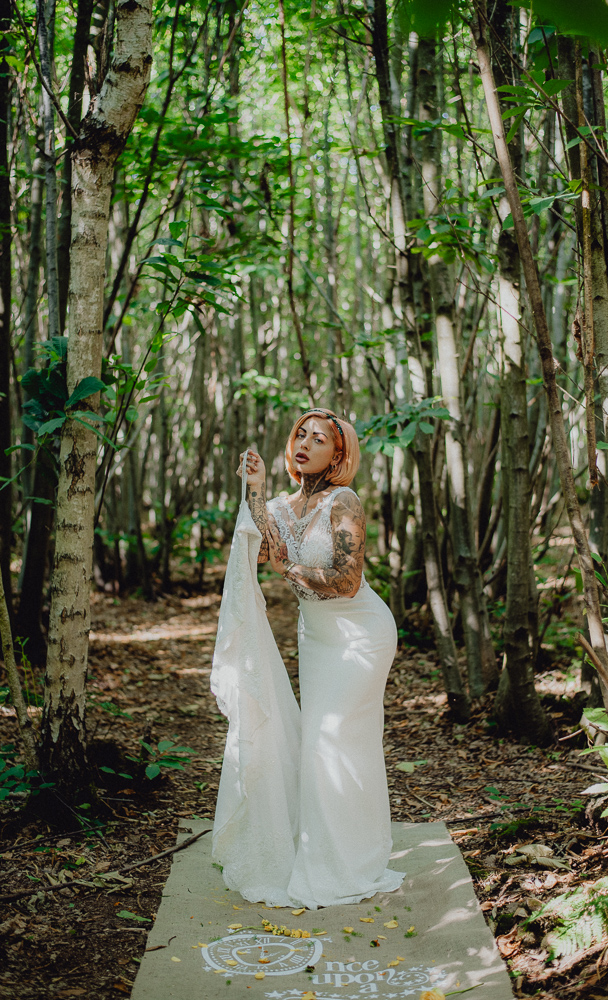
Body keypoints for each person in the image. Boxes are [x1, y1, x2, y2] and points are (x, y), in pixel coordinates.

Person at [213, 407, 403, 909]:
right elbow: (261, 545)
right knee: (328, 743)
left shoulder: (345, 502)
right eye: (300, 434)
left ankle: (344, 865)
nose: (304, 443)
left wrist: (289, 570)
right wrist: (253, 484)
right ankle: (333, 852)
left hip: (361, 634)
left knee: (334, 740)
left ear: (337, 454)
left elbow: (346, 580)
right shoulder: (281, 503)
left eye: (318, 439)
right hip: (317, 639)